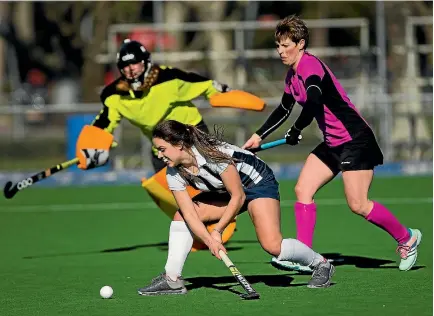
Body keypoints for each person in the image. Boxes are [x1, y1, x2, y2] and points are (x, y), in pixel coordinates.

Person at [242, 15, 422, 273]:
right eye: (278, 46)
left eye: (286, 45)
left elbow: (314, 101)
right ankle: (305, 256)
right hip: (333, 142)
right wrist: (259, 136)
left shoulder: (310, 67)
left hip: (356, 140)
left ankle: (407, 238)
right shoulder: (291, 76)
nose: (280, 51)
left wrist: (297, 129)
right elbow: (284, 108)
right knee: (303, 190)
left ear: (301, 44)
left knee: (358, 204)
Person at [74, 38, 265, 248]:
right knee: (166, 189)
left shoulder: (169, 78)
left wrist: (226, 93)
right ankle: (194, 228)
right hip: (161, 147)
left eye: (134, 63)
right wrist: (93, 145)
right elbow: (104, 122)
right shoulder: (114, 94)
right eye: (125, 66)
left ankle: (220, 218)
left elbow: (203, 85)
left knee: (204, 182)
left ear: (146, 62)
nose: (130, 70)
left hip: (191, 135)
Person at [137, 120, 336, 296]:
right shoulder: (173, 173)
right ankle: (172, 279)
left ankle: (321, 264)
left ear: (179, 144)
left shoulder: (214, 156)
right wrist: (209, 241)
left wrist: (217, 231)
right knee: (181, 216)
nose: (159, 155)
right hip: (225, 190)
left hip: (257, 184)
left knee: (273, 245)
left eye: (162, 149)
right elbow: (189, 213)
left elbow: (238, 196)